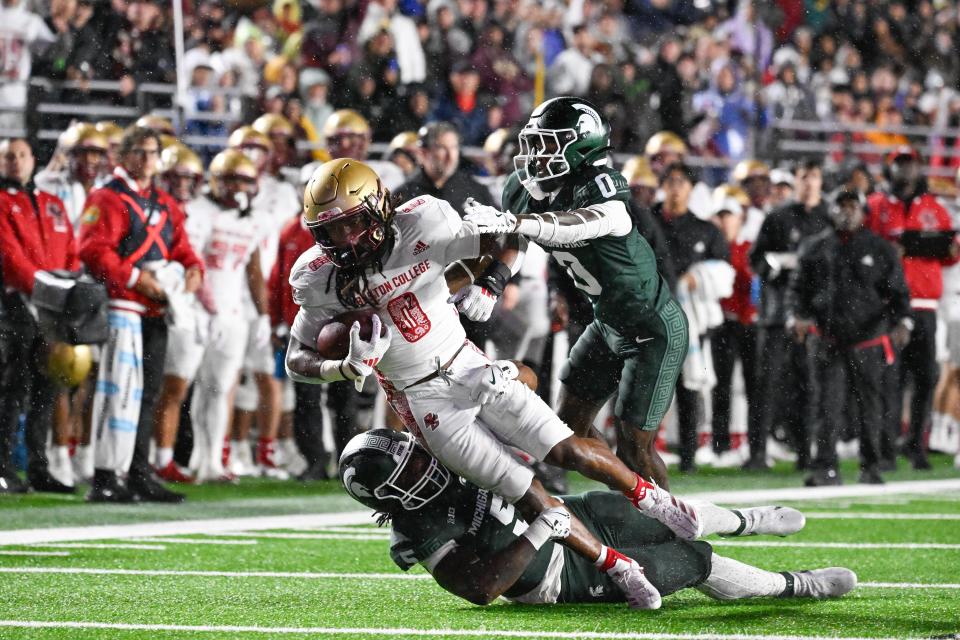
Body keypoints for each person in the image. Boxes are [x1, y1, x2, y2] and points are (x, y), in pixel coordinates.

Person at [285, 158, 704, 609]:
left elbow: (506, 236)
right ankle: (618, 567)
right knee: (526, 493)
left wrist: (490, 281)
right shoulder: (319, 278)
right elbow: (296, 358)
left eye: (354, 224)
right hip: (424, 402)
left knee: (566, 447)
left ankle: (653, 499)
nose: (346, 241)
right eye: (331, 232)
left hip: (467, 364)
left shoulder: (422, 220)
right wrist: (343, 368)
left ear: (381, 205)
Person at [339, 428, 855, 607]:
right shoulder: (416, 530)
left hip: (575, 516)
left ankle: (747, 518)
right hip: (562, 573)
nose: (426, 470)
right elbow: (479, 589)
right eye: (408, 477)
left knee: (668, 515)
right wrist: (540, 533)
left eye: (417, 457)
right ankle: (794, 586)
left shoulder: (440, 443)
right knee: (692, 560)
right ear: (387, 500)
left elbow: (523, 379)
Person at [466, 98, 688, 487]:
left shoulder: (605, 190)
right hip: (607, 323)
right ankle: (628, 495)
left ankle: (671, 528)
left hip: (652, 326)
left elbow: (574, 225)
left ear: (580, 145)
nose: (537, 155)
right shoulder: (528, 188)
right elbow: (519, 238)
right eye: (536, 143)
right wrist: (494, 280)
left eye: (549, 144)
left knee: (634, 446)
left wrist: (516, 219)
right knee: (566, 428)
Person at [78, 126, 204, 503]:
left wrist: (195, 268)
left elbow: (182, 248)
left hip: (156, 310)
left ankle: (136, 470)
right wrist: (135, 278)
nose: (147, 160)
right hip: (121, 306)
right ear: (123, 156)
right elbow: (92, 250)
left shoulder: (165, 203)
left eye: (152, 153)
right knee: (117, 391)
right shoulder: (107, 197)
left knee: (147, 394)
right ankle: (104, 474)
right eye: (139, 152)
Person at [788, 190, 913, 486]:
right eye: (841, 206)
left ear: (863, 211)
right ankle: (825, 468)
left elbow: (898, 292)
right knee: (826, 405)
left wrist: (902, 322)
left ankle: (871, 465)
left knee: (870, 405)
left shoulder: (880, 248)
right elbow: (797, 291)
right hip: (827, 338)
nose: (847, 212)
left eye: (853, 206)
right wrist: (797, 317)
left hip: (868, 339)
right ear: (830, 210)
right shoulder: (814, 247)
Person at [867, 146, 960, 470]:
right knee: (890, 379)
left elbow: (952, 254)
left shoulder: (935, 208)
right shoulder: (876, 206)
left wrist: (934, 245)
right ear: (890, 168)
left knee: (926, 378)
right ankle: (887, 447)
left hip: (923, 304)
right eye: (900, 165)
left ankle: (916, 445)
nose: (905, 171)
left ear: (919, 168)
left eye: (911, 165)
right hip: (888, 307)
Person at [0, 138, 79, 494]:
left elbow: (72, 254)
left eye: (21, 155)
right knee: (13, 387)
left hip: (52, 308)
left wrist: (67, 289)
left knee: (47, 389)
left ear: (34, 160)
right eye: (8, 157)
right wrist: (48, 290)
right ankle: (3, 467)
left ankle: (38, 466)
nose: (15, 162)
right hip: (13, 306)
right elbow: (10, 258)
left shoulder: (53, 205)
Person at [749, 159, 830, 471]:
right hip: (775, 314)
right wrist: (775, 265)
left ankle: (805, 454)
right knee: (765, 386)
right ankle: (757, 454)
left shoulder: (826, 220)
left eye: (814, 176)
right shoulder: (778, 218)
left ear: (821, 181)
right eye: (804, 176)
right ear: (796, 181)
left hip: (812, 318)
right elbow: (755, 260)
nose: (809, 182)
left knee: (809, 387)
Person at [652, 163, 733, 473]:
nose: (675, 188)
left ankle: (688, 454)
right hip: (652, 316)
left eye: (681, 182)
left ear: (690, 188)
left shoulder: (705, 230)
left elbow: (725, 271)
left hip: (690, 320)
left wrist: (699, 278)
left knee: (688, 388)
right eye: (670, 181)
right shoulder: (648, 224)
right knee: (650, 387)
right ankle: (640, 452)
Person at [35, 122, 109, 227]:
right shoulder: (54, 184)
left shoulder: (106, 188)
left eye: (94, 153)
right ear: (69, 155)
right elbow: (37, 184)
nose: (89, 159)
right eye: (82, 153)